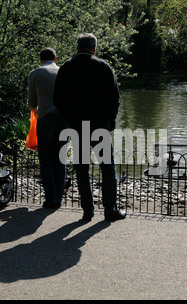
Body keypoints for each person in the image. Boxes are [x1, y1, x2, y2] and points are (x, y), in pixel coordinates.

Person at [53, 33, 126, 222]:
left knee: (82, 168)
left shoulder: (67, 67)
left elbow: (58, 99)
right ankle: (110, 209)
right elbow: (114, 98)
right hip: (99, 125)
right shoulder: (103, 66)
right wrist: (109, 121)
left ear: (78, 47)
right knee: (107, 168)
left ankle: (88, 210)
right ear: (94, 47)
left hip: (77, 125)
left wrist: (68, 118)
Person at [28, 47, 68, 209]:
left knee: (46, 160)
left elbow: (32, 104)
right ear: (56, 59)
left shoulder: (35, 74)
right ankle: (59, 198)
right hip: (64, 121)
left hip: (45, 121)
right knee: (60, 160)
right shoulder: (65, 72)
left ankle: (50, 199)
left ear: (41, 60)